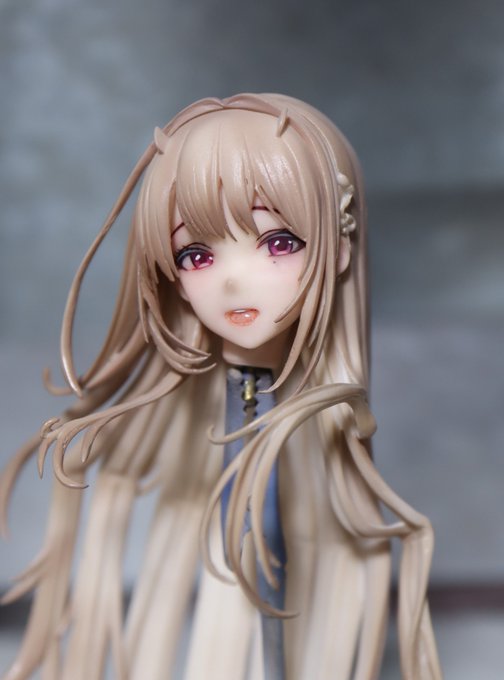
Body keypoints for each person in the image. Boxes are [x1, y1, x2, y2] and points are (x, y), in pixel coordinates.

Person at [1, 93, 442, 679]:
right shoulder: (186, 419)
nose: (234, 282)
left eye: (279, 243)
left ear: (339, 246)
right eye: (196, 254)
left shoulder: (331, 426)